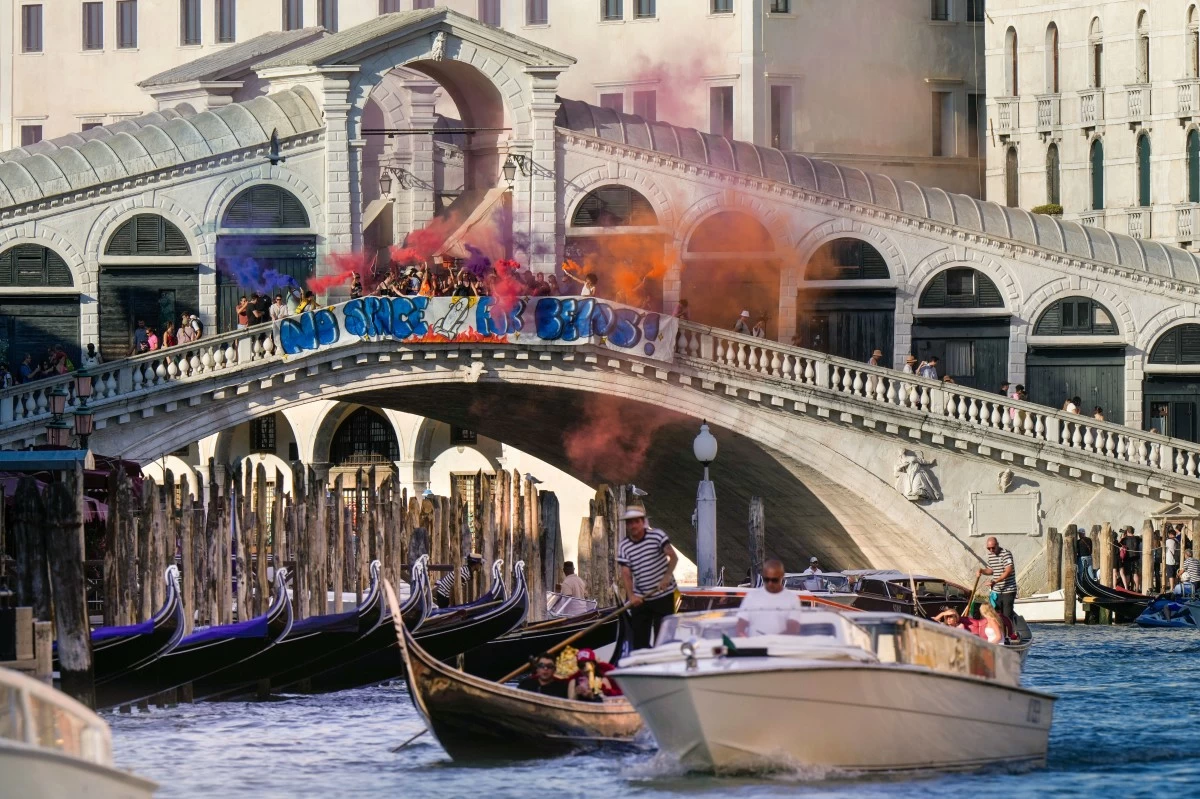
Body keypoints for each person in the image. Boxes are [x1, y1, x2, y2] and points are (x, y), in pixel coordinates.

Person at [617, 500, 678, 650]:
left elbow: (673, 557)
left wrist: (666, 578)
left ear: (643, 522)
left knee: (662, 640)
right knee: (639, 643)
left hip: (664, 594)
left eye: (636, 522)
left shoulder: (657, 536)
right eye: (629, 523)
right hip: (641, 597)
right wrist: (631, 596)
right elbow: (626, 573)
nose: (632, 526)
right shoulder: (624, 546)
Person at [735, 559, 802, 636]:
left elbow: (792, 629)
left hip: (780, 646)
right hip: (755, 646)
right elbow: (740, 625)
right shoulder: (752, 596)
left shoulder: (792, 599)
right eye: (766, 579)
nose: (770, 583)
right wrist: (744, 639)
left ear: (782, 576)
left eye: (774, 580)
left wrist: (770, 639)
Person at [977, 536, 1017, 623]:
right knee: (995, 614)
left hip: (1008, 590)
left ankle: (1008, 634)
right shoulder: (991, 555)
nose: (991, 550)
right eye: (989, 548)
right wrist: (982, 570)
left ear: (997, 545)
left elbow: (1008, 570)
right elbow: (990, 570)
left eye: (993, 548)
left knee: (1006, 616)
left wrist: (995, 581)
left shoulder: (1006, 554)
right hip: (997, 591)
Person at [1119, 526, 1141, 592]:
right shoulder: (1137, 538)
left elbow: (1119, 544)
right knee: (1135, 573)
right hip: (1136, 558)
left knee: (1127, 574)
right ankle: (1137, 589)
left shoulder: (1125, 539)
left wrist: (1122, 536)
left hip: (1128, 558)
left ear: (1127, 532)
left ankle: (1127, 589)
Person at [1165, 526, 1180, 591]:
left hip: (1170, 560)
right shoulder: (1177, 540)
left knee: (1170, 574)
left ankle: (1171, 587)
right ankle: (1176, 587)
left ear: (1170, 534)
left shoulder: (1168, 541)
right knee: (1175, 574)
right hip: (1177, 560)